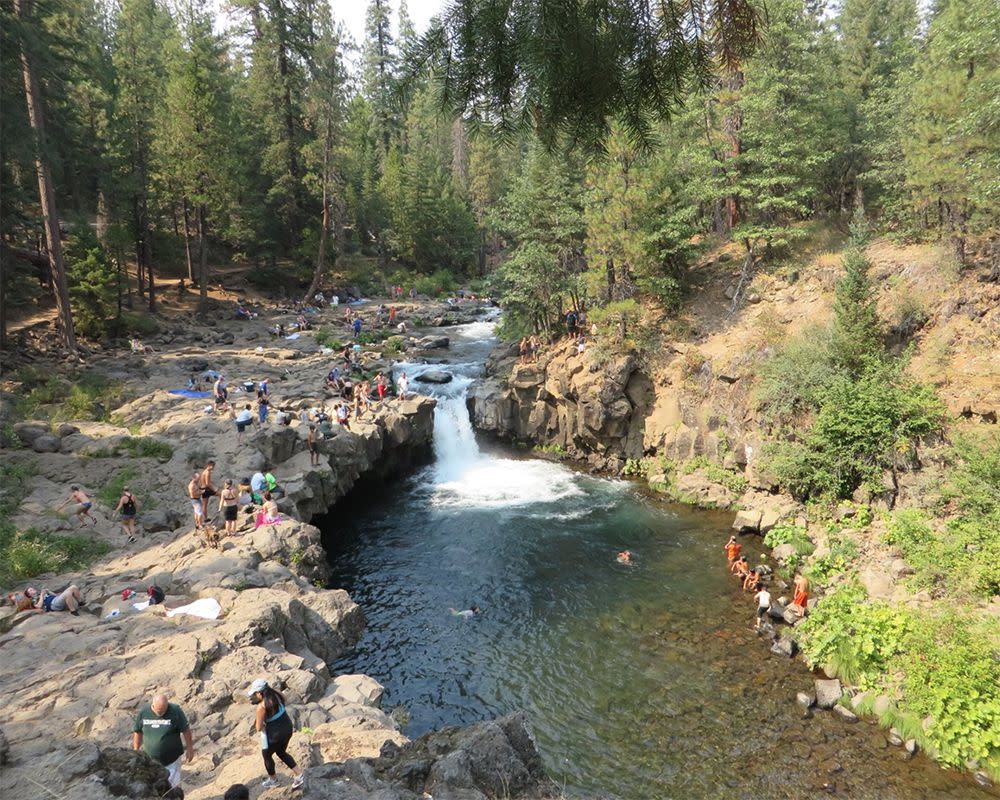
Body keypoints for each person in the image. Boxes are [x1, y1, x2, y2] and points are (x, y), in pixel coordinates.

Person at [247, 679, 305, 789]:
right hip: (287, 728)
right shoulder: (277, 694)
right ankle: (299, 775)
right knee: (281, 752)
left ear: (259, 693)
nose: (253, 696)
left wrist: (263, 722)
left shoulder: (261, 707)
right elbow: (284, 702)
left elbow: (258, 728)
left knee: (267, 755)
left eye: (254, 694)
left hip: (275, 735)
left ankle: (273, 780)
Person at [133, 693, 194, 791]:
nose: (160, 713)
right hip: (150, 761)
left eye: (163, 711)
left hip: (172, 760)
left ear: (167, 705)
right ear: (152, 705)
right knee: (154, 789)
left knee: (173, 789)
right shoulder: (144, 712)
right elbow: (138, 731)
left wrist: (190, 748)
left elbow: (186, 730)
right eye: (158, 711)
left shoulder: (175, 710)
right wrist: (136, 750)